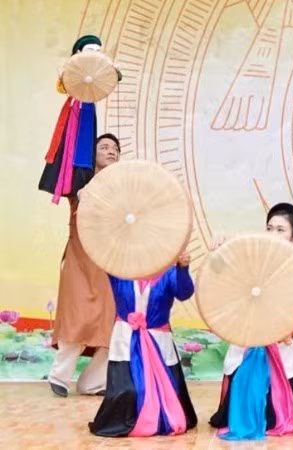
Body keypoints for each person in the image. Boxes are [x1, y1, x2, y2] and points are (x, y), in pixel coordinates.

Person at [209, 203, 293, 440]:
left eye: (280, 230)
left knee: (280, 409)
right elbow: (223, 275)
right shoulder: (255, 257)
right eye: (269, 228)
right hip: (248, 336)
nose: (272, 234)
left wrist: (286, 329)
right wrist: (217, 254)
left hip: (279, 340)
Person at [88, 252, 198, 437]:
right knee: (129, 391)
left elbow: (184, 293)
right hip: (125, 339)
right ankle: (127, 420)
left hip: (158, 340)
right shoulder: (120, 271)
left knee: (169, 395)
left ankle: (161, 418)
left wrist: (183, 268)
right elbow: (102, 255)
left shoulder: (168, 273)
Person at [47, 133, 120, 398]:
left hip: (110, 264)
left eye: (115, 149)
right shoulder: (80, 184)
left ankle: (92, 383)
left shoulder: (123, 188)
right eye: (104, 147)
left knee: (112, 325)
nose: (111, 151)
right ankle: (59, 377)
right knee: (76, 318)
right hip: (80, 260)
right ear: (92, 154)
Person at [39, 35, 122, 204]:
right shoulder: (74, 71)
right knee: (72, 147)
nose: (95, 54)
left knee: (86, 145)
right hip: (75, 110)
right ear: (78, 52)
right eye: (90, 50)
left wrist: (113, 70)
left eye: (98, 51)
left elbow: (115, 77)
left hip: (88, 109)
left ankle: (83, 182)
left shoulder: (97, 71)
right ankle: (73, 183)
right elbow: (62, 87)